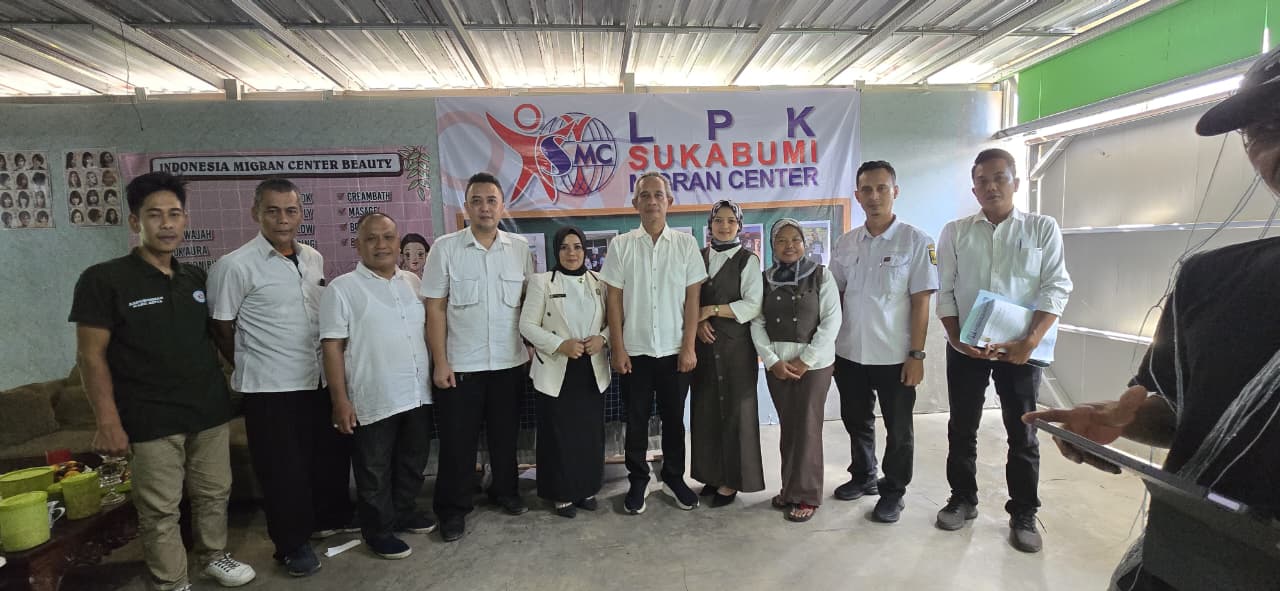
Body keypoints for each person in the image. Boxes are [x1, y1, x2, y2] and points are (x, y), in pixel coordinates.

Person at [1025, 44, 1280, 590]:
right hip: (1181, 564)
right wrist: (1123, 420)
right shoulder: (1209, 282)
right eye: (1262, 131)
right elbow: (1178, 415)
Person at [68, 172, 255, 591]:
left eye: (175, 214)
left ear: (185, 220)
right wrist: (107, 421)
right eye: (155, 216)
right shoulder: (104, 279)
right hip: (149, 417)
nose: (167, 224)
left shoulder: (194, 278)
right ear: (135, 222)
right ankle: (171, 581)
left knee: (213, 493)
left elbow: (218, 337)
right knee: (160, 508)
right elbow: (90, 356)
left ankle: (213, 556)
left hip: (207, 409)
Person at [207, 178, 355, 576]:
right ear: (256, 213)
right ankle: (290, 546)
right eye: (273, 210)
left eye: (290, 211)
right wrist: (251, 362)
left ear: (301, 215)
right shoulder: (234, 266)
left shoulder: (312, 258)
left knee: (319, 460)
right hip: (270, 388)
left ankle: (321, 522)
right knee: (282, 470)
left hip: (314, 380)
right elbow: (221, 328)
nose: (283, 219)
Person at [933, 147, 1073, 553]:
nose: (991, 186)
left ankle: (1024, 512)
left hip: (1021, 351)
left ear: (1015, 181)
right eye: (982, 180)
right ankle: (962, 499)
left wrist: (1029, 342)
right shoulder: (956, 232)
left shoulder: (1042, 228)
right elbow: (945, 291)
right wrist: (957, 340)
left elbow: (1056, 286)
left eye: (999, 178)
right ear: (974, 189)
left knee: (1023, 430)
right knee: (962, 427)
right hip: (967, 349)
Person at [421, 172, 534, 542]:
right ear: (465, 207)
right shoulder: (445, 248)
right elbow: (435, 309)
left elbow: (527, 305)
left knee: (505, 437)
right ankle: (453, 510)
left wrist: (531, 346)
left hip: (508, 362)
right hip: (461, 366)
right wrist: (440, 361)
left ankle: (506, 491)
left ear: (503, 206)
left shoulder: (519, 248)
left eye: (491, 200)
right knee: (458, 443)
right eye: (477, 201)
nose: (485, 207)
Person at [829, 160, 938, 523]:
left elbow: (921, 301)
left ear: (895, 191)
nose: (874, 196)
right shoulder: (846, 242)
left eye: (881, 188)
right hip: (850, 352)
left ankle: (893, 491)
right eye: (866, 190)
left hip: (895, 355)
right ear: (857, 196)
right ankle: (863, 475)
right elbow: (836, 296)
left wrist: (917, 354)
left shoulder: (916, 241)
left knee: (899, 428)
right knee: (855, 419)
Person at [321, 212, 435, 560]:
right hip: (374, 396)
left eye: (387, 237)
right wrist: (339, 400)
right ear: (358, 244)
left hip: (417, 394)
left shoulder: (413, 283)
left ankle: (402, 512)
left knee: (412, 461)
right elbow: (332, 348)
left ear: (398, 242)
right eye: (372, 238)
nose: (381, 245)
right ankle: (378, 531)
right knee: (373, 470)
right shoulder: (342, 289)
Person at [599, 171, 707, 515]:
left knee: (675, 419)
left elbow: (693, 300)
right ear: (635, 204)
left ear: (669, 202)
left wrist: (689, 346)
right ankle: (639, 479)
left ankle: (674, 478)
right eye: (644, 196)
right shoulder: (621, 246)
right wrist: (617, 347)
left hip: (676, 352)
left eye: (658, 195)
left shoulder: (686, 245)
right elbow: (612, 300)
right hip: (636, 352)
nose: (651, 201)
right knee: (637, 419)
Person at [751, 218, 842, 523]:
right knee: (789, 427)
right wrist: (771, 360)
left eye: (795, 240)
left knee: (807, 427)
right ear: (772, 245)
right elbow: (757, 322)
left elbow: (831, 322)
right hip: (778, 366)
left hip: (814, 367)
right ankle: (790, 489)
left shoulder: (821, 276)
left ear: (804, 243)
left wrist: (806, 360)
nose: (789, 246)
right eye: (781, 240)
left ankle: (807, 495)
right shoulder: (764, 279)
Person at [518, 226, 611, 518]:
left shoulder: (600, 282)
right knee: (558, 436)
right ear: (556, 251)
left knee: (588, 434)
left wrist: (603, 339)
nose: (572, 253)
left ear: (585, 251)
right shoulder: (541, 282)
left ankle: (586, 489)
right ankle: (561, 494)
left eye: (577, 247)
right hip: (556, 370)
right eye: (565, 247)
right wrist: (561, 345)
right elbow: (527, 325)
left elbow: (614, 322)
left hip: (591, 368)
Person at [689, 199, 764, 507]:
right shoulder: (698, 256)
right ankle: (711, 475)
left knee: (736, 414)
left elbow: (753, 304)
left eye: (730, 221)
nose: (723, 225)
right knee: (705, 412)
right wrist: (695, 325)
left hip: (735, 349)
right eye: (718, 220)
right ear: (710, 225)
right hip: (704, 348)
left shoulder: (748, 260)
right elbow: (686, 296)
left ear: (739, 226)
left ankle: (732, 481)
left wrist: (711, 310)